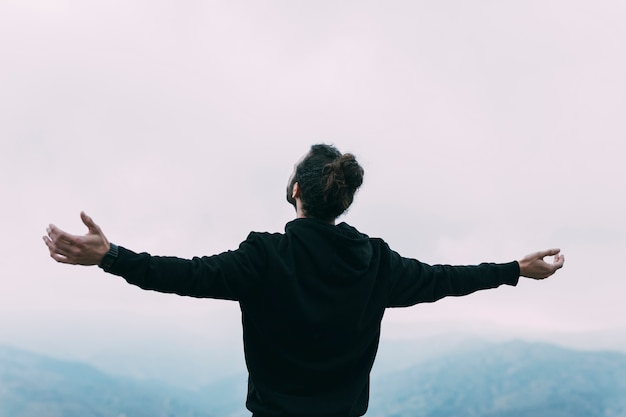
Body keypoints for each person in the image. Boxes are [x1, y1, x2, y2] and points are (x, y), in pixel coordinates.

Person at [43, 144, 564, 417]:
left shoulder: (264, 257)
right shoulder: (377, 263)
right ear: (344, 200)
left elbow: (181, 275)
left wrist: (110, 257)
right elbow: (447, 278)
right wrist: (515, 269)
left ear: (295, 190)